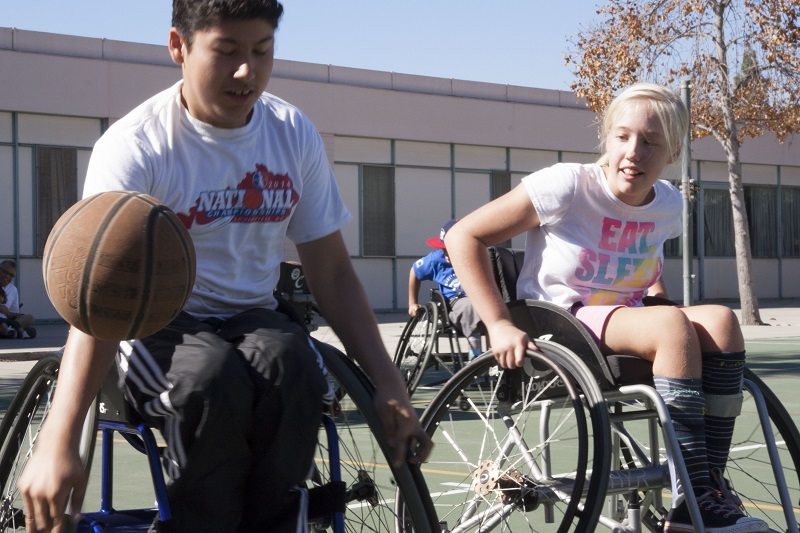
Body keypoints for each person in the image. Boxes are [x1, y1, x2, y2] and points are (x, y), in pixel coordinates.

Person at [18, 1, 432, 531]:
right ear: (178, 47)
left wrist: (389, 383)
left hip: (253, 316)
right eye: (227, 52)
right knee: (210, 381)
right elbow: (103, 298)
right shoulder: (135, 147)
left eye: (262, 52)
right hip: (154, 327)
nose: (247, 71)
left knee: (297, 369)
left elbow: (331, 274)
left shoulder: (291, 132)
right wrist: (59, 436)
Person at [444, 83, 766, 533]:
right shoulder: (567, 186)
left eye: (651, 142)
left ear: (672, 151)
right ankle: (690, 504)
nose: (633, 151)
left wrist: (657, 296)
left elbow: (645, 258)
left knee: (721, 321)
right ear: (607, 140)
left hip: (624, 315)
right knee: (672, 326)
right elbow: (462, 236)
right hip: (562, 320)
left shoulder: (668, 203)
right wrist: (497, 323)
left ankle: (706, 487)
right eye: (622, 136)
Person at [408, 219, 484, 358]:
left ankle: (496, 355)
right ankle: (476, 353)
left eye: (450, 249)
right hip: (455, 303)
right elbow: (415, 272)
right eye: (444, 249)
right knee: (469, 305)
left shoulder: (478, 255)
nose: (446, 253)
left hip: (481, 297)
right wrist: (412, 302)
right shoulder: (436, 260)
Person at [0, 260, 36, 339]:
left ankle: (9, 331)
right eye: (5, 272)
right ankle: (18, 332)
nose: (7, 276)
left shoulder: (13, 290)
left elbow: (14, 313)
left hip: (7, 321)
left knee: (29, 318)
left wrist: (10, 314)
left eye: (11, 275)